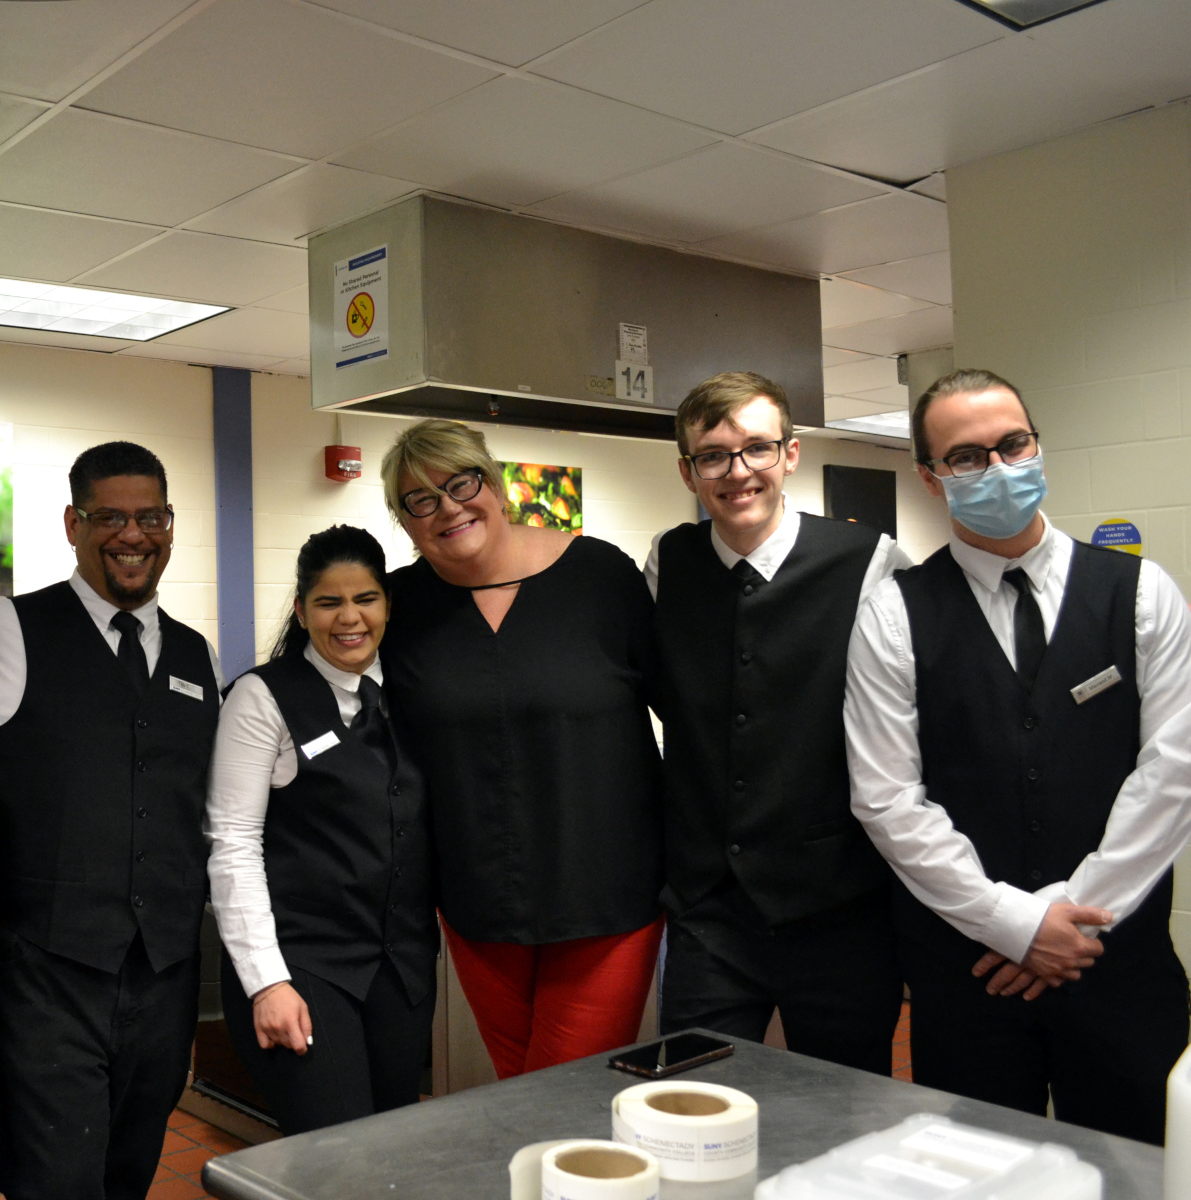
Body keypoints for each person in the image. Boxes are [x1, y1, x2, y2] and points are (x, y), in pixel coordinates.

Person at [845, 368, 1191, 1143]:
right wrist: (1013, 924)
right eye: (967, 457)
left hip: (1119, 969)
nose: (998, 468)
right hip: (969, 978)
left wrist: (1070, 923)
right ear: (930, 478)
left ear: (1039, 446)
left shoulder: (1141, 593)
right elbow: (887, 798)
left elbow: (1174, 773)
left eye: (1013, 445)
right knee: (979, 1176)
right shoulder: (894, 613)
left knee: (1137, 1175)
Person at [0, 441, 221, 1200]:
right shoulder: (7, 630)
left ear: (170, 523)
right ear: (72, 524)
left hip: (163, 975)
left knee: (130, 1165)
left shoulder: (195, 655)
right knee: (55, 1177)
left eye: (150, 516)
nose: (132, 535)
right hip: (45, 972)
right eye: (109, 517)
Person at [376, 419, 663, 1080]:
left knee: (562, 1099)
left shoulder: (600, 577)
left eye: (461, 483)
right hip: (479, 905)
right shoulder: (402, 608)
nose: (448, 507)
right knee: (526, 1094)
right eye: (421, 499)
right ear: (405, 519)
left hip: (605, 898)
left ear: (495, 483)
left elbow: (686, 707)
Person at [646, 372, 909, 1073]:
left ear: (791, 455)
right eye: (714, 455)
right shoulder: (666, 565)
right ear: (687, 470)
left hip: (838, 906)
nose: (738, 472)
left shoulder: (870, 561)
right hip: (710, 911)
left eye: (757, 449)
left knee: (847, 1105)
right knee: (690, 1097)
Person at [207, 525, 437, 1134]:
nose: (349, 618)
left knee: (391, 1146)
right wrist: (266, 982)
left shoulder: (412, 694)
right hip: (302, 965)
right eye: (329, 602)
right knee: (335, 1157)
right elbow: (232, 843)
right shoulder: (262, 697)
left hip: (400, 970)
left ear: (387, 604)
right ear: (301, 610)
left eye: (365, 599)